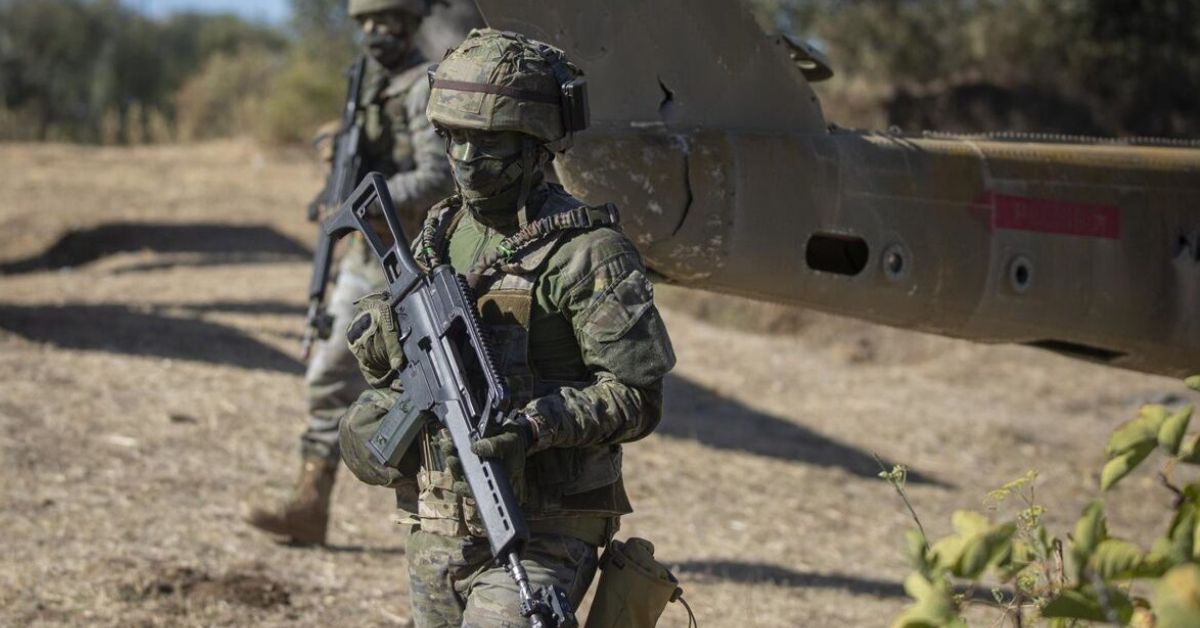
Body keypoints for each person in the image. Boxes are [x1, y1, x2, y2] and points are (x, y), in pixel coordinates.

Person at [338, 28, 677, 626]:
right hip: (440, 523)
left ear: (536, 145)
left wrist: (533, 427)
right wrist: (385, 390)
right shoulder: (440, 232)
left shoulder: (589, 252)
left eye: (490, 142)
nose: (466, 159)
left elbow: (637, 396)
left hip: (546, 529)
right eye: (454, 138)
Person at [246, 0, 453, 546]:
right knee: (326, 376)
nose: (374, 32)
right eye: (365, 23)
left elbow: (437, 178)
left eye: (385, 21)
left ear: (410, 22)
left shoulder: (424, 85)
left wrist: (363, 200)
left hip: (414, 265)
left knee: (440, 399)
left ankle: (452, 528)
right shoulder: (365, 85)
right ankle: (309, 503)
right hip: (367, 259)